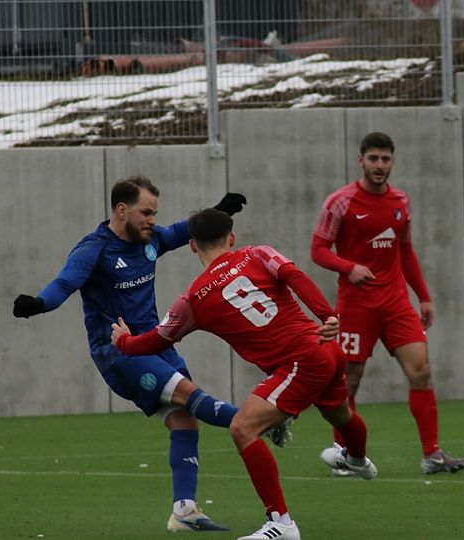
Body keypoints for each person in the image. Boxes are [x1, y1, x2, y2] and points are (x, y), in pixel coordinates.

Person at [111, 208, 375, 540]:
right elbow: (295, 276)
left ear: (192, 245)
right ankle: (357, 459)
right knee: (341, 415)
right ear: (232, 238)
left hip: (300, 361)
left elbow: (156, 339)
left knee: (243, 428)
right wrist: (327, 315)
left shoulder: (193, 298)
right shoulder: (258, 253)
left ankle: (281, 523)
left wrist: (124, 341)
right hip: (325, 349)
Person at [12, 176, 253, 531]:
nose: (152, 220)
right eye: (146, 213)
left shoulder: (151, 239)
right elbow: (65, 282)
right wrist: (38, 303)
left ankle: (184, 512)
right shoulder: (94, 249)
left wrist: (219, 210)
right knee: (190, 395)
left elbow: (183, 230)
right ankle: (260, 421)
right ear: (122, 210)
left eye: (154, 213)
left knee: (186, 420)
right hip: (118, 353)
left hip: (154, 345)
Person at [311, 131, 464, 474]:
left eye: (385, 159)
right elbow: (318, 250)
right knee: (349, 382)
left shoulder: (401, 201)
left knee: (421, 372)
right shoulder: (340, 202)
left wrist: (423, 296)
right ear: (361, 161)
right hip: (356, 306)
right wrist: (348, 267)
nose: (379, 165)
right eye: (373, 158)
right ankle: (344, 455)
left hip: (396, 303)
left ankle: (432, 455)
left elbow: (405, 250)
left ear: (393, 161)